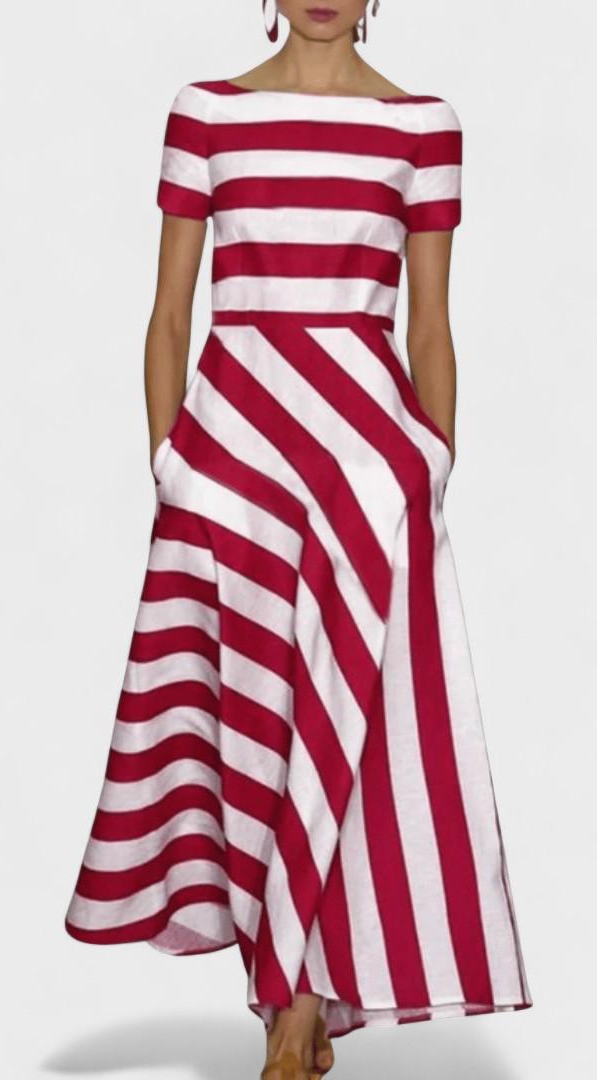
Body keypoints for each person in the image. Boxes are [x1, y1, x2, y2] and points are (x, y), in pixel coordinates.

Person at [64, 2, 533, 1077]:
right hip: (231, 456)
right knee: (253, 716)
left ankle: (295, 1007)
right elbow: (170, 312)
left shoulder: (423, 125)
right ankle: (291, 995)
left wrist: (431, 466)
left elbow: (429, 326)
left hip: (365, 470)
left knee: (349, 720)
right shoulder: (206, 112)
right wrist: (169, 462)